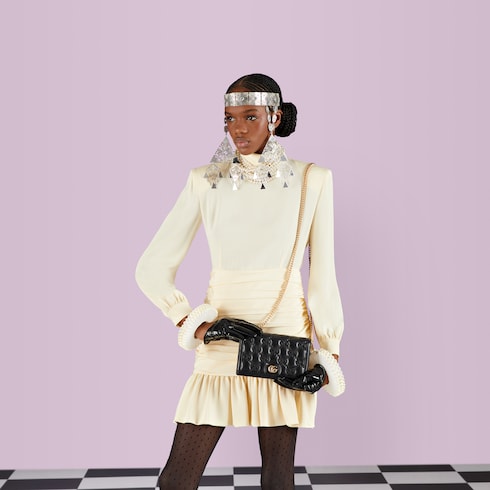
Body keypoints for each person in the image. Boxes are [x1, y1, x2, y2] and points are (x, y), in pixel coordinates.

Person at [135, 73, 344, 490]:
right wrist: (198, 325)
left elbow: (322, 275)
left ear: (275, 117)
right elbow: (151, 267)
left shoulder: (313, 179)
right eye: (229, 118)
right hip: (223, 335)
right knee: (178, 478)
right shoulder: (204, 179)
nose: (238, 129)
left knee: (278, 479)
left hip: (285, 336)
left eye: (250, 116)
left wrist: (329, 356)